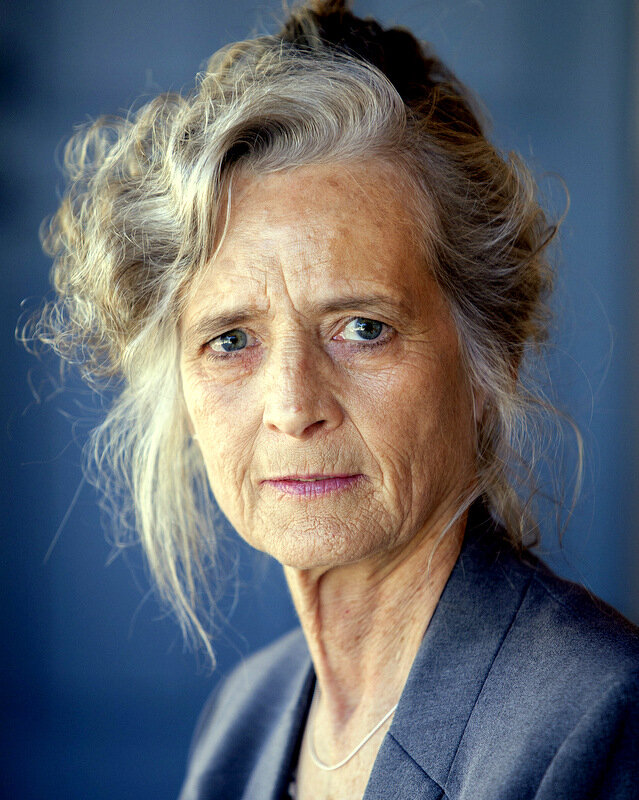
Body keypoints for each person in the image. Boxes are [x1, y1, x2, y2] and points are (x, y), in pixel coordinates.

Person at [29, 1, 639, 798]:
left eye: (362, 328)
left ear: (490, 360)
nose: (293, 406)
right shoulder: (245, 719)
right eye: (231, 340)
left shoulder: (595, 719)